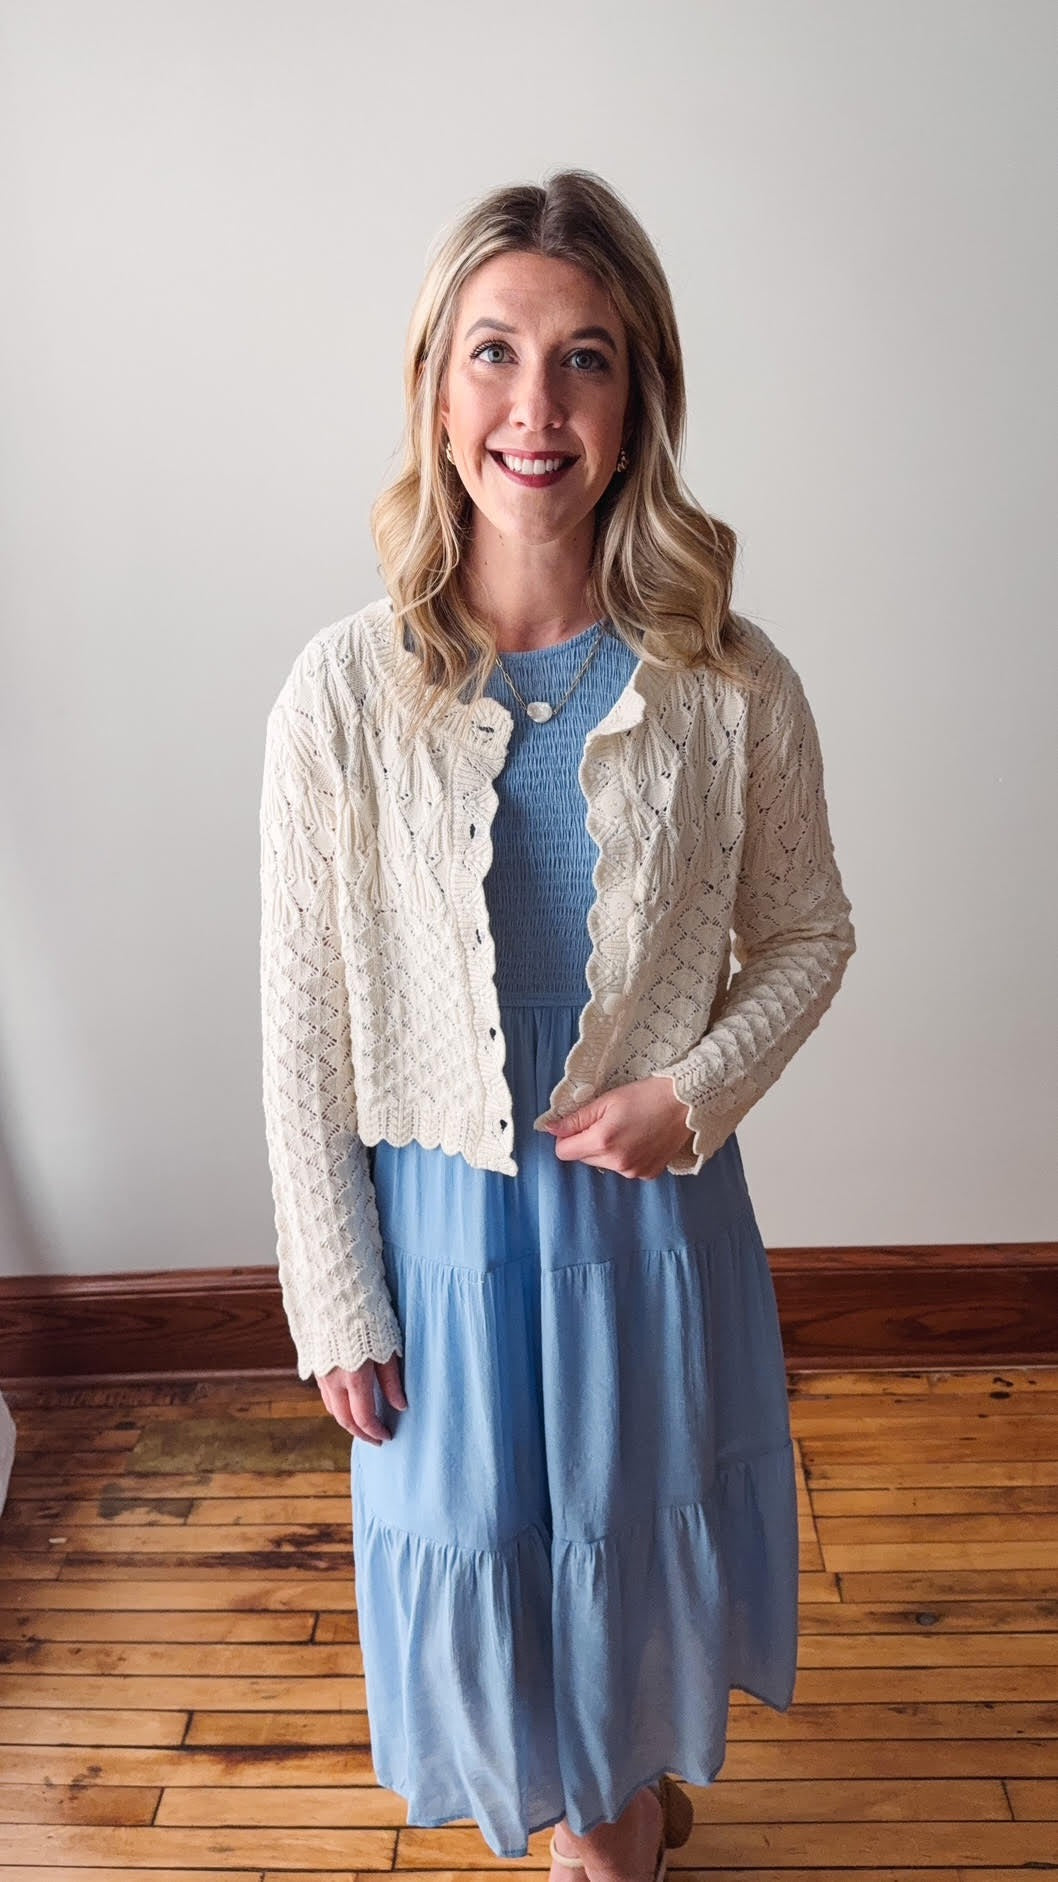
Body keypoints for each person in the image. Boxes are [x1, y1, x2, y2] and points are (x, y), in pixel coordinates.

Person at [259, 168, 856, 1878]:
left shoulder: (726, 682)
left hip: (642, 1220)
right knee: (483, 1541)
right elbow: (301, 1025)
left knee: (612, 1541)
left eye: (585, 359)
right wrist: (333, 1290)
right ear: (437, 389)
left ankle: (610, 1832)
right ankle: (592, 1798)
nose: (536, 407)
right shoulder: (341, 695)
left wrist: (700, 1087)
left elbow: (810, 931)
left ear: (638, 396)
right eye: (494, 353)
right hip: (437, 1224)